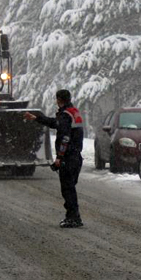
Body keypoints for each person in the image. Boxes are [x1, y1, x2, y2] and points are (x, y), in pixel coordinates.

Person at [23, 90, 84, 228]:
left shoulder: (65, 115)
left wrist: (59, 157)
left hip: (68, 157)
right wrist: (36, 118)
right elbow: (55, 123)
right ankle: (74, 216)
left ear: (59, 100)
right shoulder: (73, 112)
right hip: (76, 155)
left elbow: (65, 137)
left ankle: (73, 217)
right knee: (70, 187)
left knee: (67, 189)